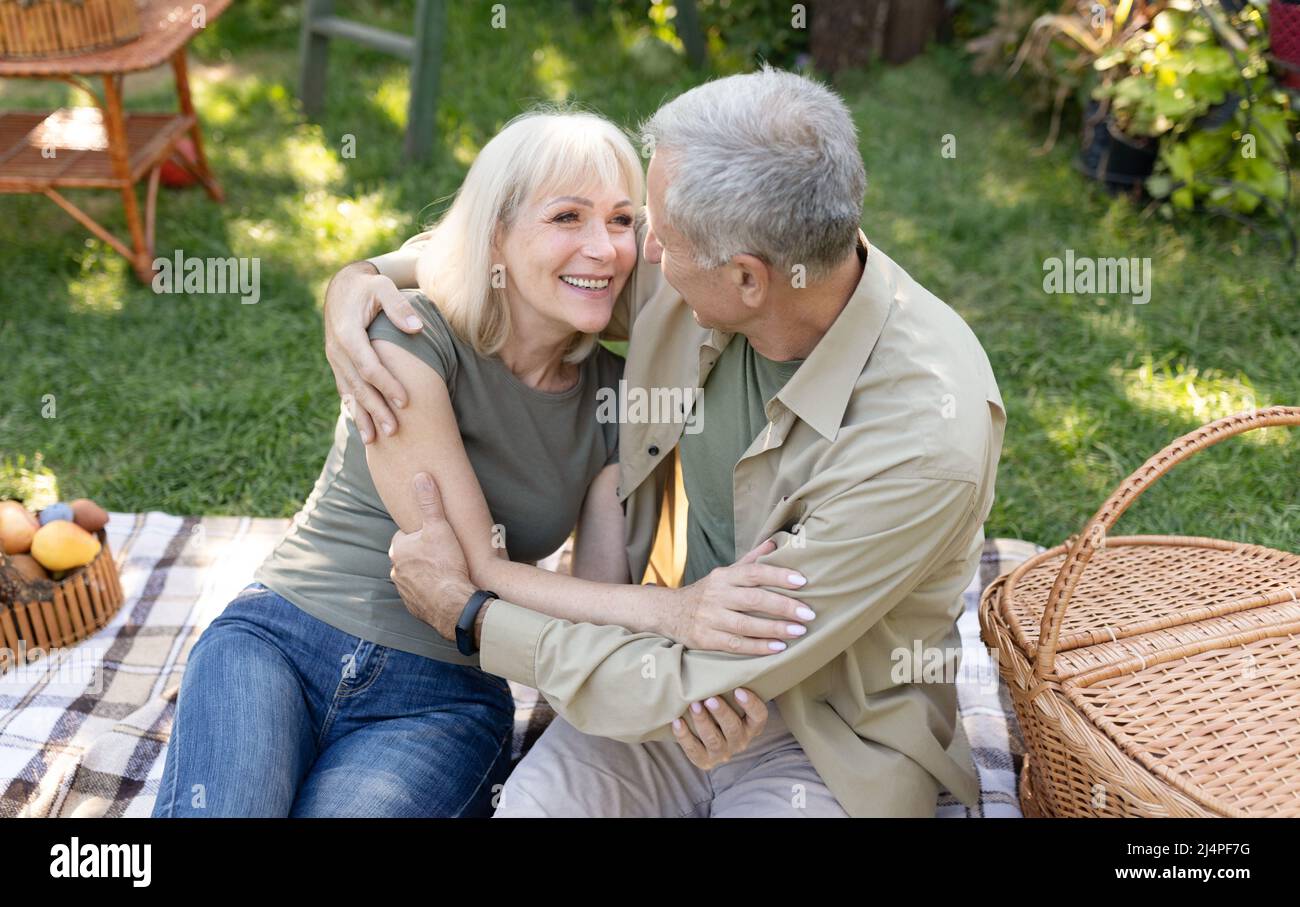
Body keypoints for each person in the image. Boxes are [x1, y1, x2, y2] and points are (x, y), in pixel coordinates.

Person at [325, 67, 1006, 818]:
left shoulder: (921, 442)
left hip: (829, 744)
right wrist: (359, 280)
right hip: (651, 674)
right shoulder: (713, 264)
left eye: (655, 235)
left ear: (747, 279)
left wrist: (472, 615)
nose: (634, 254)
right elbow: (536, 256)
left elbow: (718, 672)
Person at [152, 109, 802, 819]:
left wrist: (658, 674)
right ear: (497, 232)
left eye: (622, 221)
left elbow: (592, 605)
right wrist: (679, 612)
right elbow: (466, 572)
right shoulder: (407, 333)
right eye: (567, 217)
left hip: (443, 697)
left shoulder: (618, 401)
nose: (604, 248)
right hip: (282, 637)